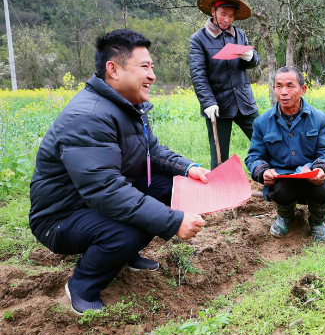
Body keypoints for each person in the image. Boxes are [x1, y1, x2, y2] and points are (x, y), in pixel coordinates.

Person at [29, 29, 209, 315]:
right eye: (144, 67)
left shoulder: (126, 108)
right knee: (128, 230)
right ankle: (82, 286)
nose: (152, 75)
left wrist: (189, 168)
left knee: (167, 186)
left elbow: (154, 153)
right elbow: (107, 192)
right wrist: (172, 221)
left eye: (152, 67)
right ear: (113, 69)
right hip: (61, 217)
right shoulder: (89, 117)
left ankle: (123, 255)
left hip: (92, 204)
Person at [245, 66, 325, 242]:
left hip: (312, 177)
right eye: (279, 86)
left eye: (290, 86)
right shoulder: (261, 122)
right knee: (281, 190)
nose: (284, 92)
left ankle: (317, 221)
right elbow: (254, 156)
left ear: (302, 89)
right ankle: (285, 217)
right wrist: (262, 171)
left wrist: (321, 170)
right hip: (283, 180)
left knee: (324, 188)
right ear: (274, 89)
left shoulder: (320, 119)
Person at [190, 0, 260, 169]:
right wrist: (208, 103)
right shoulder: (198, 39)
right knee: (220, 154)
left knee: (264, 138)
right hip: (218, 105)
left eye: (231, 16)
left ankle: (278, 178)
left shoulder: (239, 34)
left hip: (244, 101)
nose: (227, 20)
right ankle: (221, 191)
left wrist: (251, 57)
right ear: (213, 11)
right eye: (223, 14)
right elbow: (198, 75)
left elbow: (253, 62)